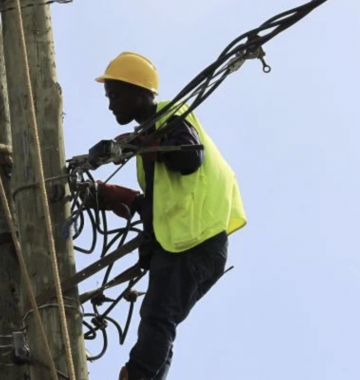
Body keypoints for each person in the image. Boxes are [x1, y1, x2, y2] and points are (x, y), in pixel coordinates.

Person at [91, 52, 247, 380]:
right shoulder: (153, 135)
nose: (111, 106)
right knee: (162, 320)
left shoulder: (170, 115)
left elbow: (188, 158)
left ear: (140, 92)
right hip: (192, 243)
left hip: (195, 239)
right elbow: (158, 204)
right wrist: (112, 196)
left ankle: (138, 375)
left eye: (116, 96)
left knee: (158, 316)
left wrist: (138, 144)